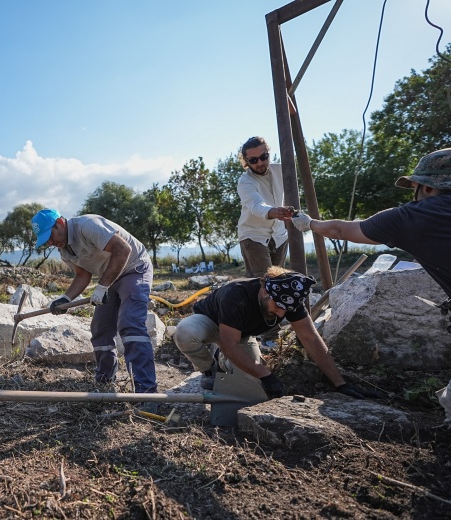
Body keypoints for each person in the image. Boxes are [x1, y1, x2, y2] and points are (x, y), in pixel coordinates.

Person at [292, 147, 451, 425]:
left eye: (414, 186)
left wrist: (310, 223)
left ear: (425, 187)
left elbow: (343, 230)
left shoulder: (412, 217)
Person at [173, 266, 380, 400]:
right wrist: (266, 374)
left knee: (250, 387)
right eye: (277, 305)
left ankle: (224, 361)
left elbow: (310, 338)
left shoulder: (289, 300)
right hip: (210, 323)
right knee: (185, 333)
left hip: (240, 335)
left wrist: (340, 383)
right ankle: (210, 369)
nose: (281, 313)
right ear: (265, 289)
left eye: (286, 309)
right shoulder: (236, 294)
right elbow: (230, 345)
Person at [31, 209, 158, 401]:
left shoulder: (87, 226)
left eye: (50, 236)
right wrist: (66, 299)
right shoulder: (64, 251)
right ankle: (104, 384)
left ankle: (146, 393)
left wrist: (102, 287)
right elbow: (82, 275)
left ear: (60, 223)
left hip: (134, 268)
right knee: (100, 329)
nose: (50, 243)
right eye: (45, 240)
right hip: (110, 277)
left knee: (130, 324)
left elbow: (123, 250)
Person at [236, 136, 296, 347]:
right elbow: (256, 205)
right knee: (264, 284)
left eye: (264, 157)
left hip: (279, 234)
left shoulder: (283, 170)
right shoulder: (245, 182)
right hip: (253, 235)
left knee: (279, 281)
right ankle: (267, 337)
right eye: (253, 160)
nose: (260, 163)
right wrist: (274, 212)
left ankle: (275, 329)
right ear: (245, 162)